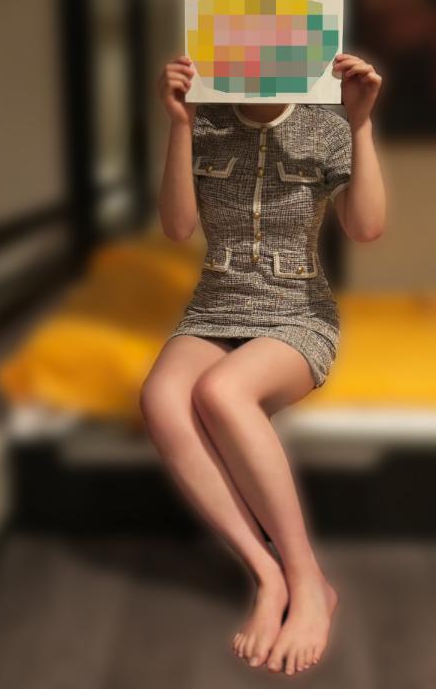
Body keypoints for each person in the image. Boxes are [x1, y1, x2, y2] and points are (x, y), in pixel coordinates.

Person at [140, 51, 385, 675]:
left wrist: (360, 124)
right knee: (162, 399)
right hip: (214, 306)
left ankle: (309, 583)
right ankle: (268, 574)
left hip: (296, 311)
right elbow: (177, 228)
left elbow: (366, 228)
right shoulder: (206, 122)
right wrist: (179, 123)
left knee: (220, 392)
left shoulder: (325, 125)